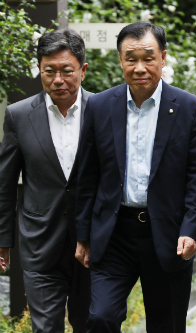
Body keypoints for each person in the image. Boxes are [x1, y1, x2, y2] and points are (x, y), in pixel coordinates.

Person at [74, 22, 196, 332]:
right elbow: (87, 174)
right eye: (130, 58)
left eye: (148, 58)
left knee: (166, 325)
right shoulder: (99, 106)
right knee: (100, 318)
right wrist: (83, 235)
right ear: (120, 60)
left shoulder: (192, 110)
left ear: (163, 58)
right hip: (114, 234)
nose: (139, 67)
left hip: (168, 234)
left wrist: (191, 230)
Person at [0, 29, 91, 333]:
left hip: (91, 242)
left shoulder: (103, 110)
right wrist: (3, 242)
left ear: (83, 70)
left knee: (91, 323)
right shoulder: (19, 115)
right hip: (40, 242)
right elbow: (5, 182)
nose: (58, 80)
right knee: (46, 328)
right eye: (48, 71)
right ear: (39, 69)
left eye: (66, 71)